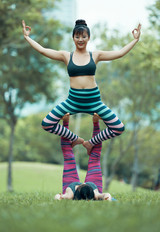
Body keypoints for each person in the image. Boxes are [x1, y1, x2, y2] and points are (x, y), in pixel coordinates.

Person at [22, 19, 141, 154]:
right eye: (77, 36)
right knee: (47, 123)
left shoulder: (95, 55)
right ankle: (75, 139)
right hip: (73, 101)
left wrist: (135, 40)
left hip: (94, 102)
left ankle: (91, 143)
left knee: (118, 127)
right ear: (73, 38)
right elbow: (43, 50)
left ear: (88, 38)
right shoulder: (66, 56)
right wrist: (27, 37)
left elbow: (119, 53)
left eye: (84, 36)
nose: (80, 39)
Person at [54, 113, 112, 201]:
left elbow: (57, 197)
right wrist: (108, 199)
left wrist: (60, 197)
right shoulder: (95, 194)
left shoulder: (70, 195)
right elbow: (106, 195)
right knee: (94, 157)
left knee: (69, 157)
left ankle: (66, 122)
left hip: (72, 187)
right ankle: (95, 123)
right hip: (92, 186)